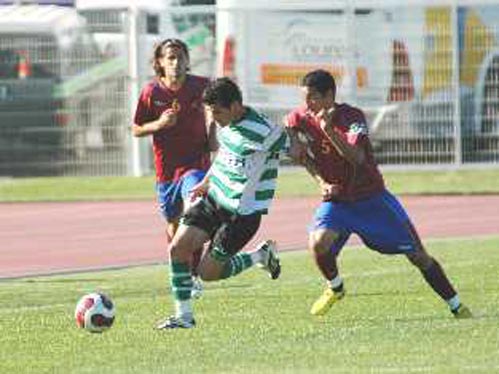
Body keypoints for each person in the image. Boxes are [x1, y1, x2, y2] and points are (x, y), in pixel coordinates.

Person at [284, 69, 472, 319]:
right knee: (318, 243)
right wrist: (319, 179)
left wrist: (328, 130)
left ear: (329, 95)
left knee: (417, 255)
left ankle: (456, 305)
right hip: (338, 201)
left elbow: (358, 158)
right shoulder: (300, 118)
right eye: (304, 98)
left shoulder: (351, 117)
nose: (307, 104)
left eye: (312, 98)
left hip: (371, 198)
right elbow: (297, 143)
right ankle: (335, 288)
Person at [156, 77, 287, 329]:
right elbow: (225, 157)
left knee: (207, 273)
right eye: (210, 112)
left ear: (235, 105)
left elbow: (294, 147)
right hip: (214, 199)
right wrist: (206, 181)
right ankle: (183, 317)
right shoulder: (226, 124)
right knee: (177, 248)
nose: (214, 118)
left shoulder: (262, 130)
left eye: (217, 111)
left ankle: (260, 256)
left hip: (242, 216)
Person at [132, 39, 217, 298]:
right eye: (170, 58)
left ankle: (191, 277)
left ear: (187, 60)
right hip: (166, 172)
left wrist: (212, 131)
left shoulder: (201, 86)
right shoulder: (151, 93)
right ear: (159, 62)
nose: (176, 63)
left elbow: (215, 106)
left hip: (195, 166)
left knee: (194, 213)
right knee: (172, 225)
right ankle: (180, 267)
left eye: (180, 57)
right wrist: (158, 124)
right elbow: (136, 129)